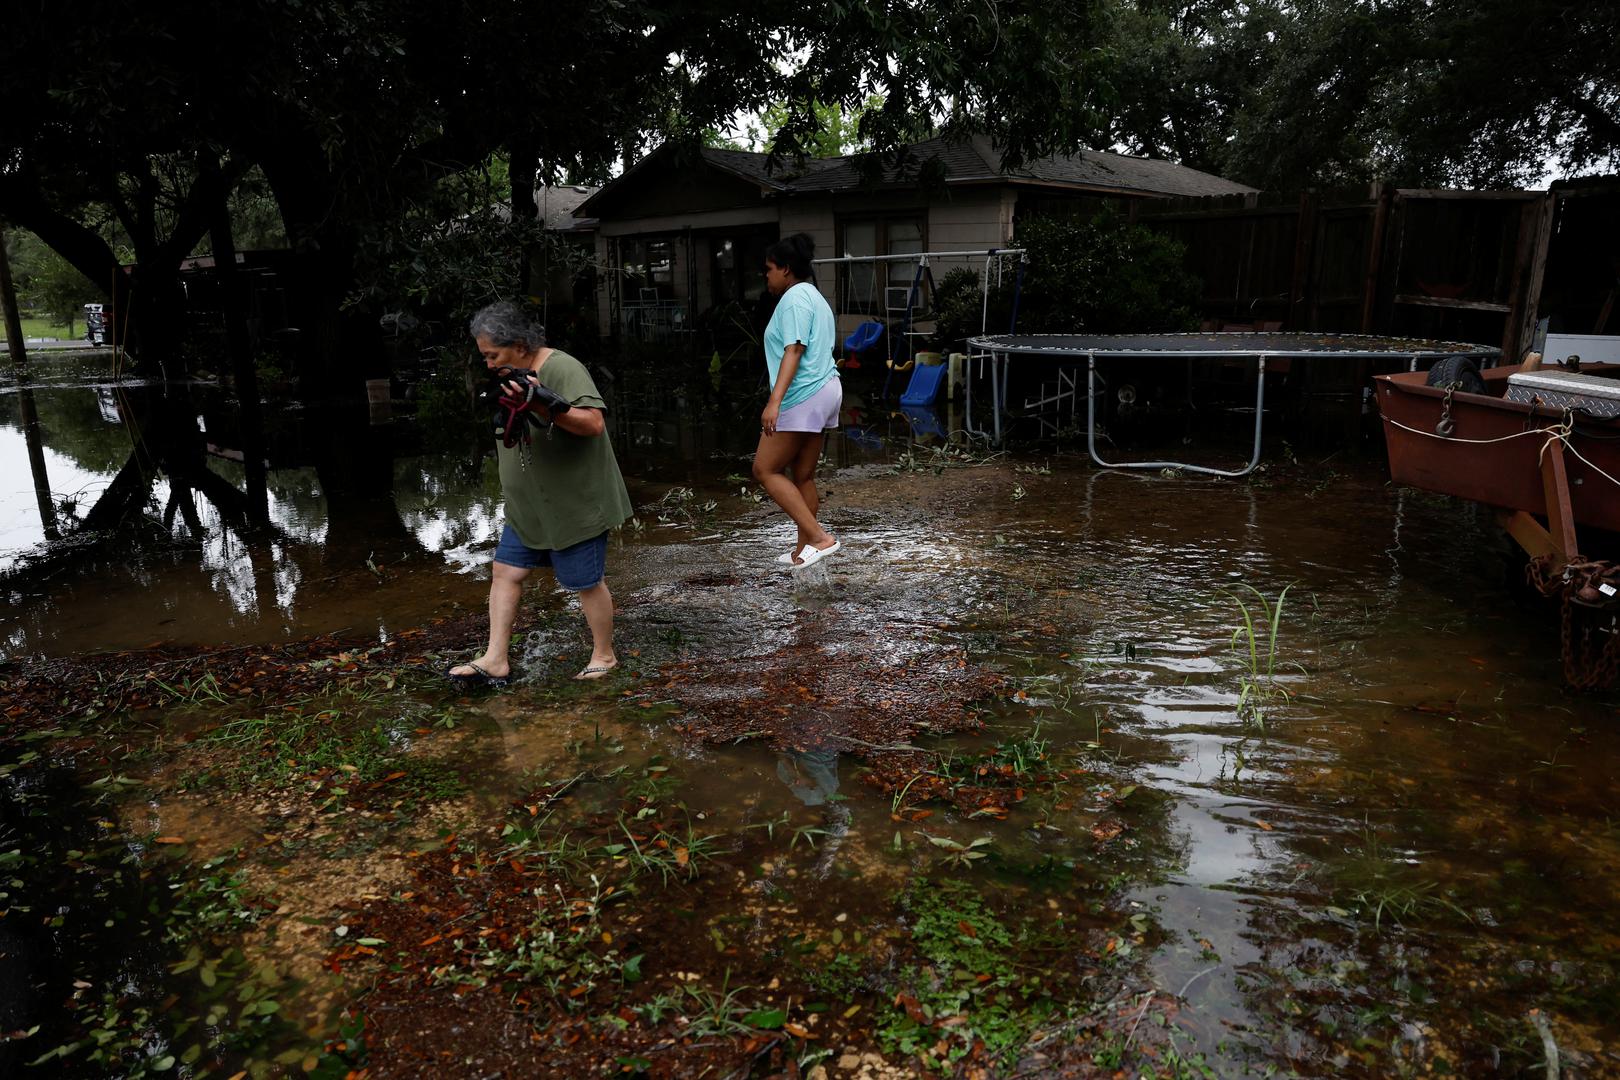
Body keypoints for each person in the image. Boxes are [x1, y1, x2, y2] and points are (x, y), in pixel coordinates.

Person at [448, 301, 634, 685]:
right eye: (483, 356)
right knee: (505, 571)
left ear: (519, 344)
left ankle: (604, 655)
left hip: (574, 500)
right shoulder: (509, 374)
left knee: (585, 581)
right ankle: (495, 659)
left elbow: (593, 423)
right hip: (528, 504)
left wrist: (547, 406)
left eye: (492, 355)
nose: (488, 364)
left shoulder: (561, 367)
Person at [755, 233, 842, 569]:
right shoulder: (815, 297)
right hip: (826, 388)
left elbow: (794, 349)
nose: (767, 275)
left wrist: (774, 401)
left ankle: (819, 537)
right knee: (802, 475)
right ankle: (804, 551)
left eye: (769, 269)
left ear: (786, 270)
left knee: (765, 469)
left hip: (803, 393)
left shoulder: (793, 299)